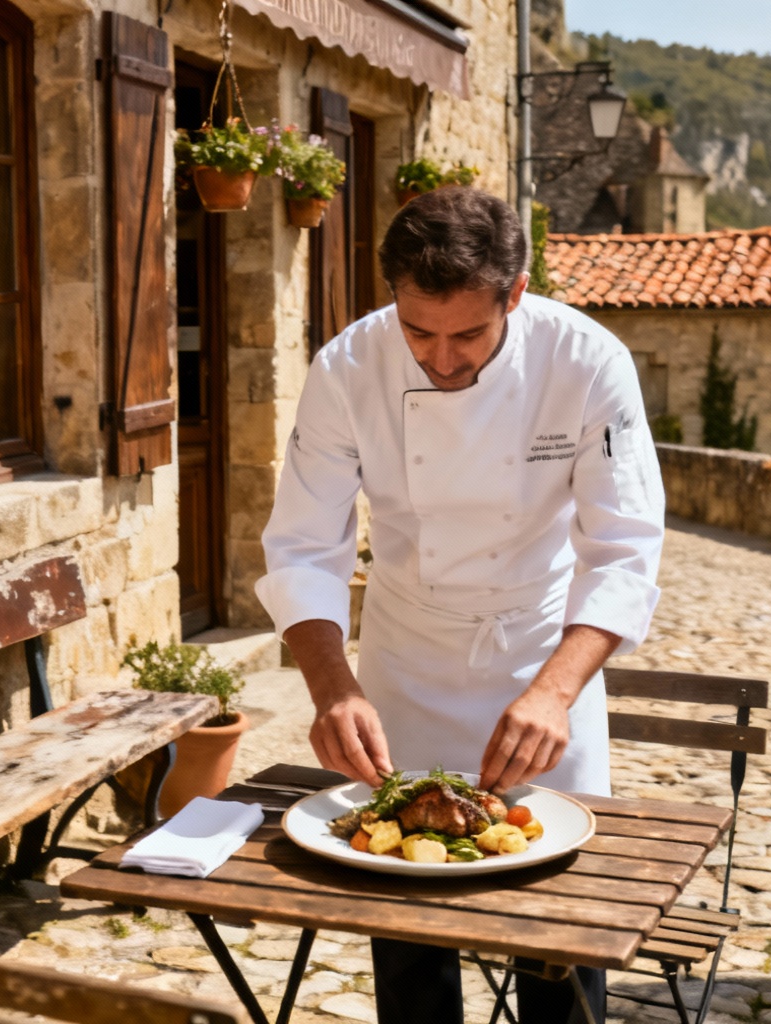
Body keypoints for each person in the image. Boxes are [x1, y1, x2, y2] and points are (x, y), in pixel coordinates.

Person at [256, 186, 665, 1023]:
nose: (441, 360)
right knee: (407, 933)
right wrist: (334, 687)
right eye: (419, 332)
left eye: (468, 334)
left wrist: (556, 693)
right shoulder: (347, 369)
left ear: (515, 294)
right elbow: (304, 544)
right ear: (392, 300)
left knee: (559, 934)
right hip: (409, 661)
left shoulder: (587, 362)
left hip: (543, 654)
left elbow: (624, 547)